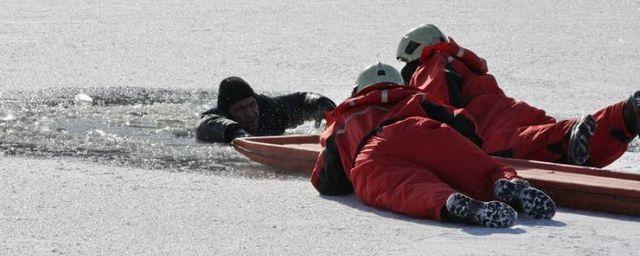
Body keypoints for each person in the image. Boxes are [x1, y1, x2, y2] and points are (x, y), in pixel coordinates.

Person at [311, 62, 555, 228]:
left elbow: (329, 182)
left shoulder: (345, 115)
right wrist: (464, 150)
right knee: (482, 170)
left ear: (357, 90)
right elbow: (463, 124)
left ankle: (448, 203)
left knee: (409, 187)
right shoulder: (416, 97)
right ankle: (508, 185)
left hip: (373, 152)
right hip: (421, 129)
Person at [396, 24, 640, 167]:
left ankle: (569, 132)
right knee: (570, 148)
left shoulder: (431, 63)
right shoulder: (462, 63)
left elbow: (435, 106)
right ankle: (623, 116)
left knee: (513, 145)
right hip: (511, 111)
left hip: (485, 125)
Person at [196, 76, 336, 143]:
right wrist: (238, 134)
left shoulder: (270, 108)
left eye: (251, 105)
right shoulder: (215, 119)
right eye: (240, 109)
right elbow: (205, 125)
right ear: (228, 113)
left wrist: (326, 109)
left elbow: (302, 100)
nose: (249, 114)